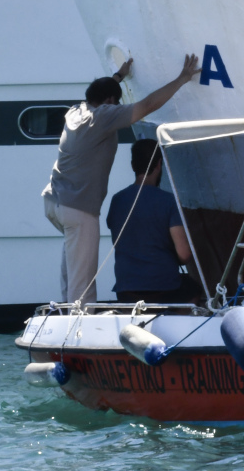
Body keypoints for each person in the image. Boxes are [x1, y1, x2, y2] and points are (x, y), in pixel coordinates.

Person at [42, 53, 201, 305]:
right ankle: (79, 327)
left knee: (71, 268)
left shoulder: (77, 110)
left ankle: (64, 313)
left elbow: (102, 91)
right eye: (116, 102)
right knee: (83, 282)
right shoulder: (103, 116)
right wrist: (182, 79)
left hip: (53, 203)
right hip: (78, 208)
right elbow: (147, 105)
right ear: (109, 101)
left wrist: (119, 76)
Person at [106, 138, 202, 304]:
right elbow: (184, 254)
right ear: (159, 164)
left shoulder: (117, 200)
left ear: (132, 165)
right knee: (194, 290)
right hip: (164, 289)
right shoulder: (168, 201)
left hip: (125, 291)